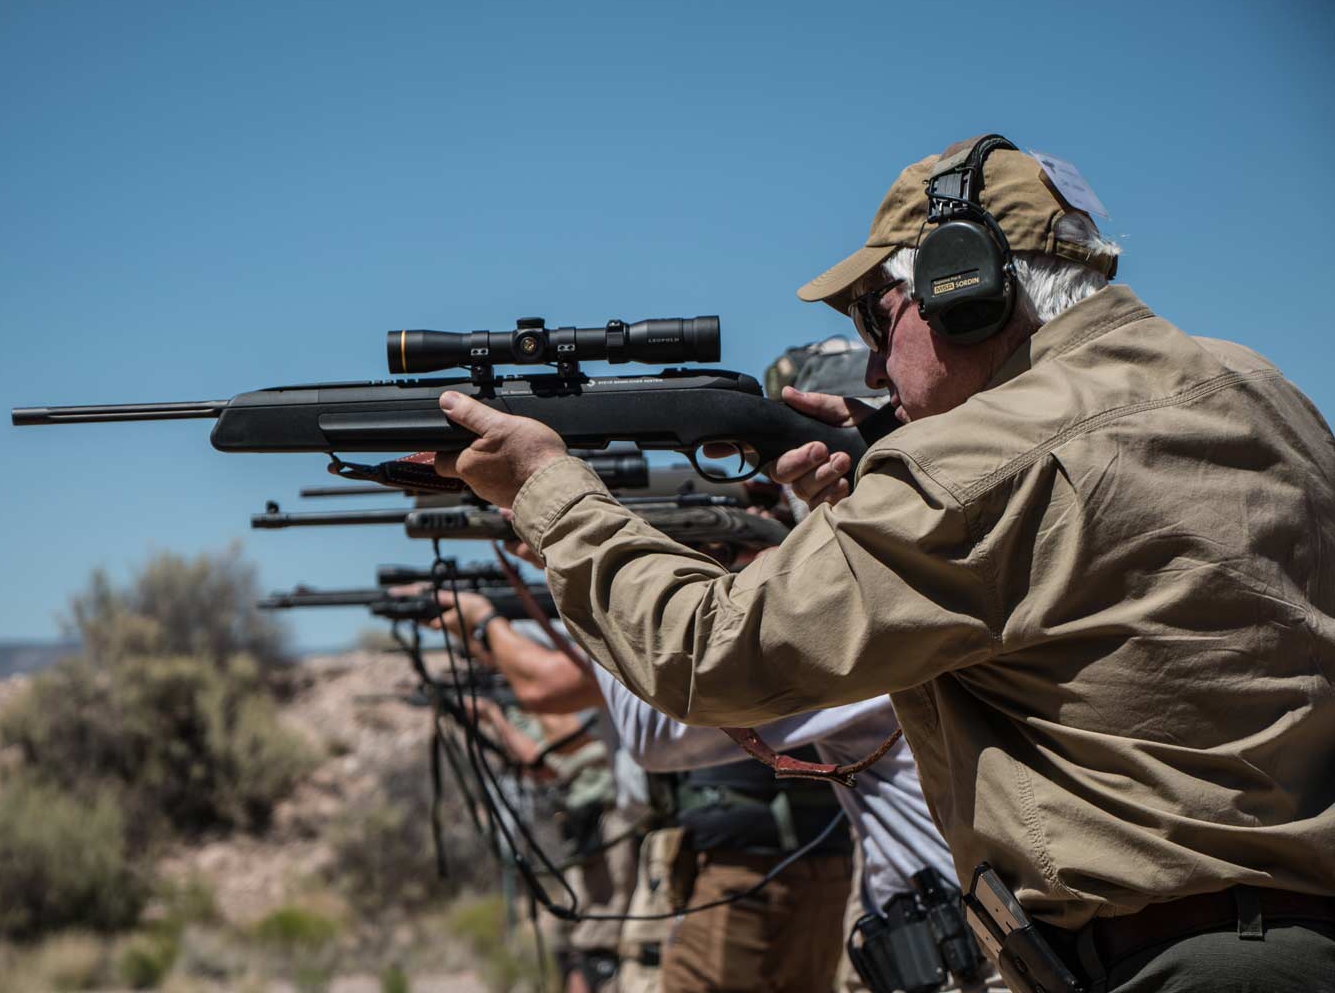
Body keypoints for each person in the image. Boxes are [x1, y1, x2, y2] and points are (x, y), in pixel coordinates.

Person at [428, 135, 1335, 991]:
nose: (869, 368)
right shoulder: (1257, 388)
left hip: (1167, 962)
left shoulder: (979, 462)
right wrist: (872, 488)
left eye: (876, 316)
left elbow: (707, 654)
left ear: (961, 289)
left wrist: (545, 490)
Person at [431, 581, 857, 993]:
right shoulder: (787, 609)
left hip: (739, 862)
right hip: (786, 852)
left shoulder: (723, 624)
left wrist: (487, 623)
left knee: (612, 959)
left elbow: (549, 689)